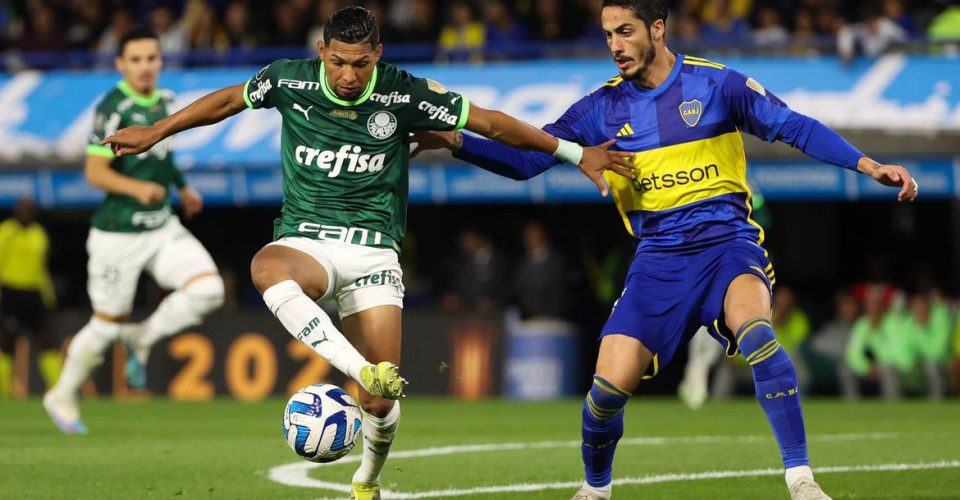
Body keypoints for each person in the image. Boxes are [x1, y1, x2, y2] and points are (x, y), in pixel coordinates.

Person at [98, 7, 633, 499]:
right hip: (307, 238)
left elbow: (491, 123)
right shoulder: (290, 78)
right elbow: (226, 101)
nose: (348, 75)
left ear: (376, 55)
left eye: (359, 63)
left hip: (374, 253)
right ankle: (359, 368)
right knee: (266, 266)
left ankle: (367, 478)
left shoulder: (404, 93)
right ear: (322, 51)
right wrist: (157, 132)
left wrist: (575, 151)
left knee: (378, 404)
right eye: (337, 62)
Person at [412, 1, 918, 498]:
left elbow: (795, 127)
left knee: (759, 336)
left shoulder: (718, 84)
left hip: (727, 246)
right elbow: (526, 162)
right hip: (658, 260)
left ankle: (801, 480)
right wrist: (455, 141)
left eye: (626, 31)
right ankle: (595, 488)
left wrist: (867, 165)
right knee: (605, 394)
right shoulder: (599, 109)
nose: (615, 45)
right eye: (608, 34)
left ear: (657, 28)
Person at [43, 27, 225, 434]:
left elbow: (161, 153)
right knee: (106, 326)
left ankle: (142, 336)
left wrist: (182, 187)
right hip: (117, 235)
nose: (145, 67)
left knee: (209, 290)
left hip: (161, 226)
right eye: (136, 59)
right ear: (120, 64)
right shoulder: (114, 106)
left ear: (161, 61)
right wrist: (136, 186)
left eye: (152, 58)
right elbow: (94, 172)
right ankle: (61, 394)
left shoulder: (164, 100)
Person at [0, 198, 59, 397]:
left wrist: (48, 298)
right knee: (6, 343)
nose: (26, 213)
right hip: (10, 291)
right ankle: (4, 392)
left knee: (46, 340)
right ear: (15, 211)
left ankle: (59, 388)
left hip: (34, 294)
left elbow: (42, 269)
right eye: (22, 209)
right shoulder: (6, 231)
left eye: (30, 210)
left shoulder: (38, 233)